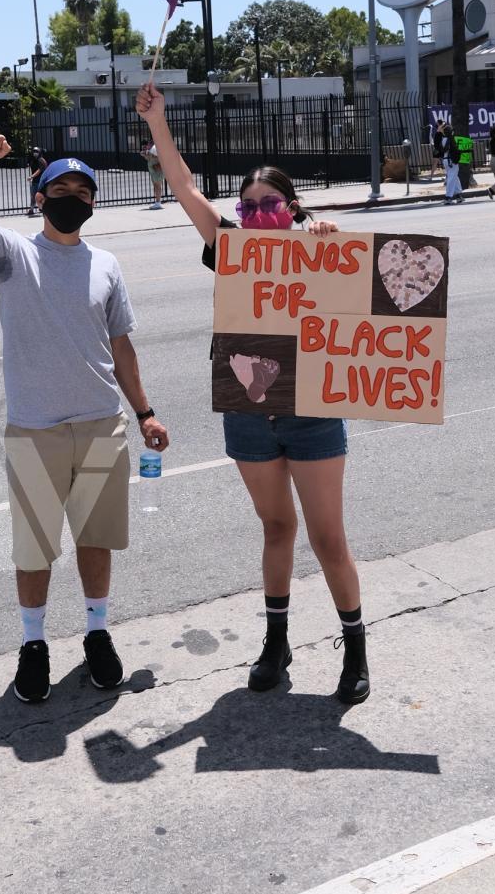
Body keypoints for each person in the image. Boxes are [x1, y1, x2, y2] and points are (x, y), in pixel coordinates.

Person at [136, 82, 371, 705]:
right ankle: (276, 641)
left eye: (271, 201)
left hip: (312, 412)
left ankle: (354, 647)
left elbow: (362, 309)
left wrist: (330, 241)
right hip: (248, 413)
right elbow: (185, 185)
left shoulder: (318, 248)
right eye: (249, 202)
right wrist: (159, 121)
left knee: (328, 538)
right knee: (275, 529)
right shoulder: (230, 249)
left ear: (292, 207)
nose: (259, 209)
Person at [0, 132, 169, 704]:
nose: (72, 198)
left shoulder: (106, 264)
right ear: (39, 197)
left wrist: (145, 412)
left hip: (102, 421)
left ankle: (97, 632)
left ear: (93, 204)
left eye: (83, 191)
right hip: (35, 428)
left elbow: (121, 347)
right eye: (61, 188)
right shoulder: (9, 252)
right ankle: (33, 644)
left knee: (97, 538)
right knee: (34, 547)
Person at [141, 141, 166, 209]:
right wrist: (146, 152)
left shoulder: (155, 150)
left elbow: (160, 158)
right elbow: (143, 154)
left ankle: (158, 203)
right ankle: (157, 202)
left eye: (148, 145)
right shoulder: (150, 152)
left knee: (157, 186)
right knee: (156, 186)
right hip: (154, 172)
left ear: (151, 145)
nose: (147, 146)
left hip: (157, 171)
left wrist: (148, 153)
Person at [443, 130, 463, 204]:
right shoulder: (452, 139)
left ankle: (458, 195)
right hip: (451, 161)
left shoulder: (443, 139)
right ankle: (448, 197)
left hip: (445, 160)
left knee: (454, 177)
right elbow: (455, 151)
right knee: (451, 179)